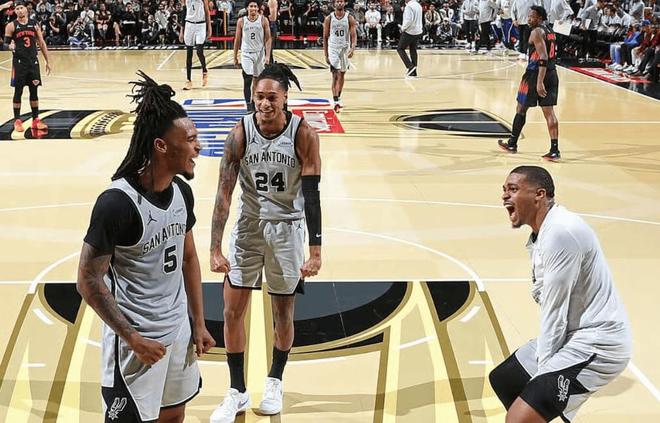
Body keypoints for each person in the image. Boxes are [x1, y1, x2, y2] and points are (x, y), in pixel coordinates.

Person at [76, 71, 215, 423]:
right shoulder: (116, 204)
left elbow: (188, 258)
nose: (198, 147)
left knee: (174, 416)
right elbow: (87, 281)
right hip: (136, 343)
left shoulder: (182, 193)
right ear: (161, 146)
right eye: (191, 139)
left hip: (178, 333)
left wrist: (198, 322)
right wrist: (132, 338)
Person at [209, 63, 322, 423]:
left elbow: (312, 194)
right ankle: (236, 390)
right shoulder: (240, 133)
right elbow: (224, 193)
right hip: (248, 227)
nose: (264, 104)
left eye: (272, 97)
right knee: (231, 310)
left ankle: (275, 380)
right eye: (259, 96)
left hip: (287, 229)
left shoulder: (303, 134)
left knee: (282, 313)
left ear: (285, 97)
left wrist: (316, 250)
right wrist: (214, 247)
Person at [491, 165, 631, 423]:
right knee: (505, 379)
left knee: (517, 419)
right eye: (504, 190)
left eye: (513, 189)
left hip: (599, 343)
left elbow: (554, 312)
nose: (504, 196)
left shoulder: (561, 233)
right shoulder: (542, 233)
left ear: (539, 195)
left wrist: (544, 375)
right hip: (573, 333)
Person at [498, 6, 561, 162]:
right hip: (552, 73)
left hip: (535, 74)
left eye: (531, 16)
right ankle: (554, 150)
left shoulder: (536, 32)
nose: (528, 19)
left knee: (521, 108)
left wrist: (539, 82)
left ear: (539, 18)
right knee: (549, 112)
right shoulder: (550, 31)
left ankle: (512, 144)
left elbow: (543, 57)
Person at [4, 0, 52, 134]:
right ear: (15, 11)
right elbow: (5, 43)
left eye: (21, 8)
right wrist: (10, 46)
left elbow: (41, 43)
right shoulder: (11, 26)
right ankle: (17, 120)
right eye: (17, 8)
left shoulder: (34, 24)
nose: (19, 10)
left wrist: (47, 61)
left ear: (26, 9)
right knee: (18, 91)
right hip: (19, 63)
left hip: (33, 62)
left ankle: (36, 120)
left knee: (34, 91)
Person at [234, 0, 272, 112]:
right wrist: (235, 56)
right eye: (251, 6)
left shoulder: (263, 20)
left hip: (259, 53)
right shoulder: (241, 21)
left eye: (255, 6)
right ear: (247, 8)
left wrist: (268, 56)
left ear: (258, 8)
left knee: (257, 80)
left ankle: (254, 101)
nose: (253, 8)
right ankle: (248, 105)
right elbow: (237, 39)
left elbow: (268, 38)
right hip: (246, 53)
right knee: (248, 79)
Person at [322, 0, 356, 112]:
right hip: (333, 48)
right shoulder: (329, 19)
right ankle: (335, 100)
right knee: (335, 74)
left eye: (341, 1)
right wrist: (326, 54)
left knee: (342, 74)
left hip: (344, 49)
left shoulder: (349, 18)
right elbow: (325, 37)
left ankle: (339, 96)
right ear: (334, 4)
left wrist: (352, 49)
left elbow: (353, 35)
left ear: (344, 3)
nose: (340, 3)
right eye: (338, 1)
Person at [180, 0, 211, 90]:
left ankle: (204, 71)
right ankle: (188, 80)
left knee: (199, 51)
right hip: (189, 25)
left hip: (201, 25)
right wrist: (182, 30)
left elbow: (207, 12)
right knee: (189, 53)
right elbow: (184, 13)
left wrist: (209, 27)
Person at [397, 0, 422, 77]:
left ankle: (410, 67)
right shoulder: (418, 5)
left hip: (410, 31)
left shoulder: (409, 6)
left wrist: (402, 28)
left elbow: (408, 20)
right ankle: (414, 71)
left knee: (400, 48)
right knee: (413, 49)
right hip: (418, 31)